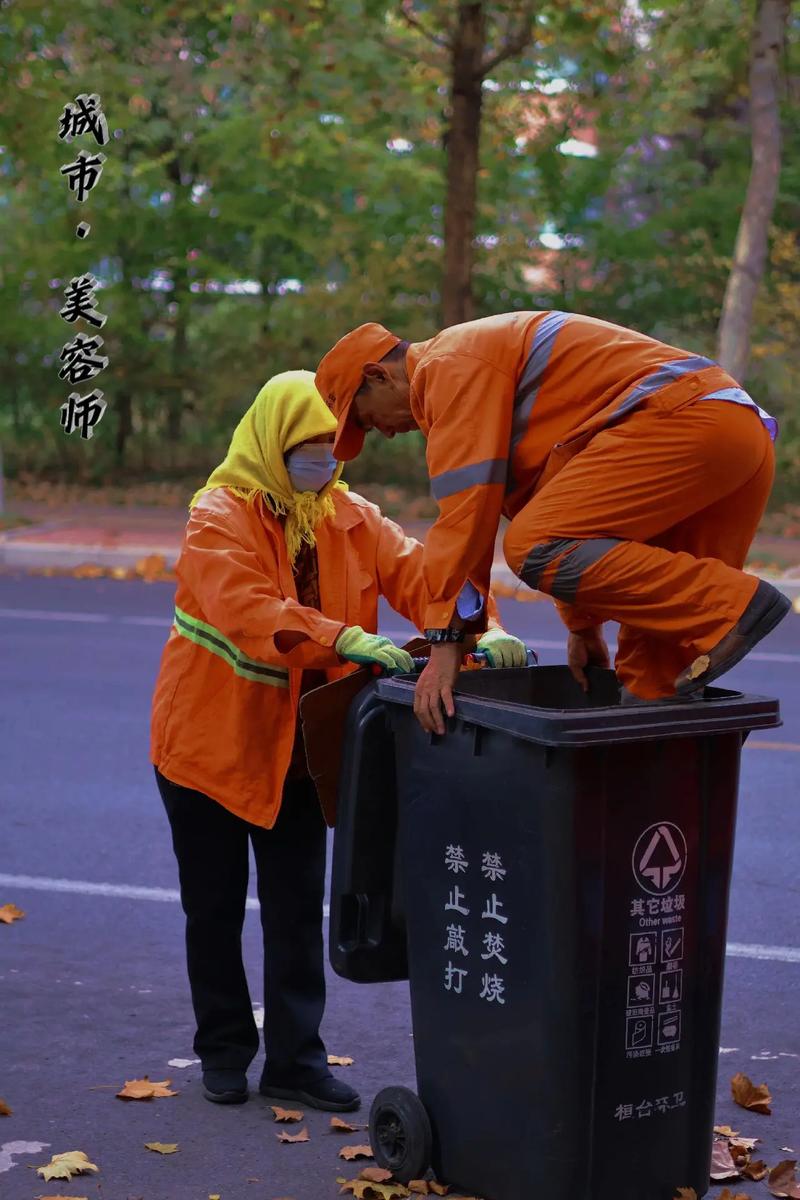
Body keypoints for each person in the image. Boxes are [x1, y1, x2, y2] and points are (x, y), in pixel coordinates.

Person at [150, 370, 524, 1111]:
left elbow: (424, 573)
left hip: (298, 753)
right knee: (214, 909)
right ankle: (224, 1050)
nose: (322, 462)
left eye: (330, 448)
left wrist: (486, 627)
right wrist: (342, 636)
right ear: (271, 441)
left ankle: (295, 1060)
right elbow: (245, 606)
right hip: (207, 747)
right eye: (306, 449)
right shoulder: (217, 515)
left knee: (295, 908)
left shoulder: (348, 515)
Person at [316, 313, 790, 733]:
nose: (384, 431)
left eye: (366, 419)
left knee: (531, 546)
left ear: (378, 375)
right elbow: (569, 510)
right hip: (735, 438)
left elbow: (465, 524)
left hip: (685, 424)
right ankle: (649, 811)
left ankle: (732, 605)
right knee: (654, 674)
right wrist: (583, 627)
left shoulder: (449, 369)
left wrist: (445, 649)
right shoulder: (478, 374)